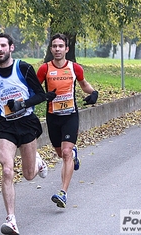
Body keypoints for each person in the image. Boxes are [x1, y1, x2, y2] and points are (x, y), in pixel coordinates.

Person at [0, 33, 56, 235]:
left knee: (28, 175)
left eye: (3, 45)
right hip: (6, 125)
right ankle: (11, 220)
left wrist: (22, 104)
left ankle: (38, 162)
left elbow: (40, 95)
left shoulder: (23, 68)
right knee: (7, 170)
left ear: (11, 48)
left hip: (26, 123)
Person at [37, 33, 98, 208]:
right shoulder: (44, 69)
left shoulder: (74, 68)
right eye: (54, 46)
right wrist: (42, 96)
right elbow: (34, 89)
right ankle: (73, 153)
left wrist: (93, 93)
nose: (57, 49)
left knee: (65, 153)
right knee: (60, 153)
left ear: (66, 49)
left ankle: (63, 193)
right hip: (52, 116)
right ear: (51, 49)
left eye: (60, 46)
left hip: (70, 115)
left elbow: (84, 84)